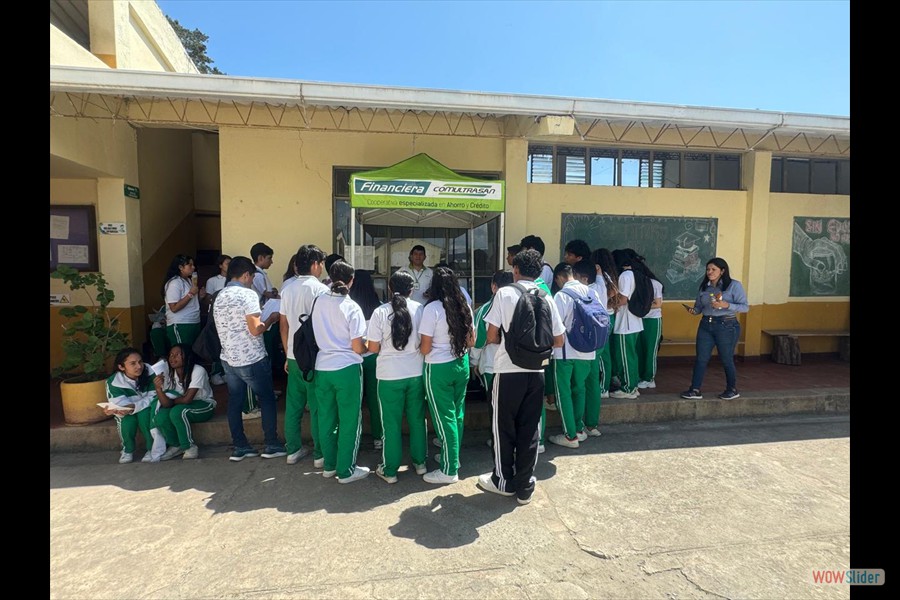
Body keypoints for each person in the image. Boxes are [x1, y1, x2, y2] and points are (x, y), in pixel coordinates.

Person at [479, 249, 565, 505]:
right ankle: (525, 486)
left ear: (515, 270)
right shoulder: (546, 297)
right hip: (537, 371)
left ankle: (503, 481)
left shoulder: (505, 293)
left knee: (503, 428)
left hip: (507, 371)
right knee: (530, 430)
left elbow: (492, 336)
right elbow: (558, 340)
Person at [213, 256, 284, 462]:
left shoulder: (220, 295)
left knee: (235, 401)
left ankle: (240, 446)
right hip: (251, 357)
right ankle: (271, 443)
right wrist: (271, 318)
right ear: (245, 275)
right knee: (267, 398)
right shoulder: (247, 295)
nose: (253, 281)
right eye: (252, 277)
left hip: (228, 358)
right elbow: (255, 330)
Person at [366, 270, 427, 483]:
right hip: (416, 372)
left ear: (390, 288)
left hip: (389, 375)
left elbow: (372, 347)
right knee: (417, 420)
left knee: (390, 424)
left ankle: (390, 470)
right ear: (412, 290)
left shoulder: (380, 312)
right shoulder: (420, 309)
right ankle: (420, 463)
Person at [312, 260, 370, 483]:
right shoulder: (351, 306)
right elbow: (357, 347)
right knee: (349, 420)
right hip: (347, 368)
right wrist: (371, 347)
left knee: (326, 418)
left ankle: (329, 465)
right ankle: (346, 470)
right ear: (351, 280)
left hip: (322, 366)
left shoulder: (319, 301)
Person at [419, 266, 475, 484]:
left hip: (438, 368)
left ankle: (449, 470)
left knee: (445, 418)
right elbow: (471, 342)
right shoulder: (465, 306)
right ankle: (453, 457)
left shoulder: (431, 308)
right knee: (457, 414)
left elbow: (424, 348)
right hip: (461, 365)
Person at [279, 245, 329, 466]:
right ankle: (320, 454)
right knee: (317, 406)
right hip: (315, 357)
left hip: (293, 355)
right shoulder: (320, 290)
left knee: (294, 406)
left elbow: (283, 325)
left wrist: (287, 352)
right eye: (322, 265)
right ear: (315, 264)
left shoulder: (287, 288)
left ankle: (293, 450)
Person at [547, 262, 603, 450]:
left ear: (559, 278)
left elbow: (555, 326)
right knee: (579, 390)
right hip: (588, 352)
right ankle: (579, 429)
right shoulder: (591, 292)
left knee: (563, 393)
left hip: (565, 352)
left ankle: (570, 436)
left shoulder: (561, 296)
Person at [681, 257, 749, 400]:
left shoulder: (733, 286)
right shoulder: (705, 287)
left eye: (713, 269)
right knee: (701, 358)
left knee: (726, 358)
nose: (709, 272)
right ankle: (695, 389)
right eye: (708, 269)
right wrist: (694, 311)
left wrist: (727, 305)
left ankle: (732, 389)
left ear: (722, 271)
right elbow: (699, 307)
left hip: (726, 325)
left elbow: (745, 307)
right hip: (706, 325)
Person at [471, 270, 513, 448]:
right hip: (517, 363)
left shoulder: (485, 309)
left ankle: (499, 440)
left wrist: (473, 362)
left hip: (492, 365)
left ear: (493, 286)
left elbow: (478, 341)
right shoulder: (521, 303)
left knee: (496, 406)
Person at [153, 344, 216, 461]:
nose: (172, 358)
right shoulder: (169, 373)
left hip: (204, 404)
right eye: (171, 355)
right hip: (180, 404)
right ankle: (176, 445)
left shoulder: (198, 370)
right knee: (160, 417)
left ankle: (189, 446)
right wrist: (158, 389)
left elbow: (187, 399)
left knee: (177, 412)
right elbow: (166, 404)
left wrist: (171, 402)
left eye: (177, 355)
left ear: (187, 356)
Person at [104, 347, 161, 464]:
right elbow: (118, 403)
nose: (139, 366)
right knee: (127, 420)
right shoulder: (113, 382)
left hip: (149, 406)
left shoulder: (151, 371)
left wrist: (135, 406)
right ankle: (128, 449)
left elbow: (155, 396)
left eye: (140, 362)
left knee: (145, 415)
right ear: (121, 367)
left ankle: (151, 448)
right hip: (130, 409)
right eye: (133, 363)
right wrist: (117, 410)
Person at [348, 269, 384, 450]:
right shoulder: (378, 305)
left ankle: (354, 438)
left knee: (353, 402)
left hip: (352, 359)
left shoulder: (348, 305)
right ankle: (379, 437)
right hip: (373, 358)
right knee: (375, 400)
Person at [609, 249, 645, 399]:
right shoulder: (636, 273)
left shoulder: (625, 275)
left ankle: (628, 388)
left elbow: (623, 299)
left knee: (625, 356)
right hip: (634, 321)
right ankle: (632, 386)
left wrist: (607, 303)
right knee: (631, 355)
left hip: (626, 323)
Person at [632, 253, 664, 390]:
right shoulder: (636, 283)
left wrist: (639, 306)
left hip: (652, 320)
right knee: (638, 348)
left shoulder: (655, 284)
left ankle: (649, 378)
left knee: (650, 350)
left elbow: (658, 304)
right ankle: (639, 376)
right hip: (639, 319)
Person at [162, 254, 206, 349]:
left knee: (192, 353)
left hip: (194, 321)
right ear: (180, 267)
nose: (193, 267)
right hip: (180, 323)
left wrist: (200, 297)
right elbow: (174, 307)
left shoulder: (189, 281)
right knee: (181, 352)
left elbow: (190, 303)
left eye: (193, 265)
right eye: (190, 265)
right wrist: (190, 294)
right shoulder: (174, 283)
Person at [204, 254, 231, 386]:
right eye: (226, 263)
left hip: (229, 318)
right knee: (216, 344)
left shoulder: (233, 280)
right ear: (220, 265)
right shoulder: (213, 280)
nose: (229, 266)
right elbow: (208, 298)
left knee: (226, 345)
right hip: (216, 316)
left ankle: (225, 372)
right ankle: (215, 373)